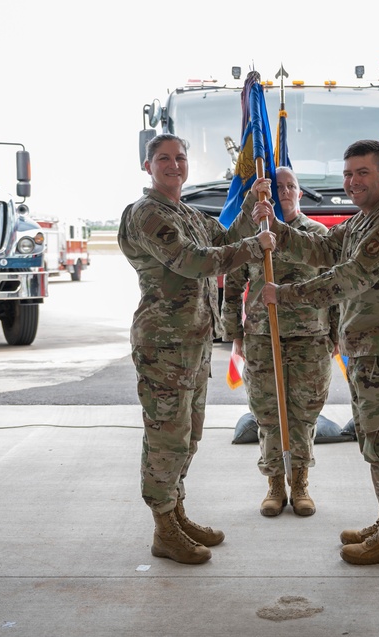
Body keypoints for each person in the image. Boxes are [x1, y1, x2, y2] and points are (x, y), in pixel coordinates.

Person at [253, 139, 379, 566]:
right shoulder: (364, 221)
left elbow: (349, 277)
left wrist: (286, 295)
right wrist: (274, 229)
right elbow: (325, 249)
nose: (352, 182)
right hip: (371, 353)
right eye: (348, 174)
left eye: (362, 173)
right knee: (376, 440)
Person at [118, 133, 272, 565]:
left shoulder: (187, 212)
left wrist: (251, 208)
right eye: (163, 158)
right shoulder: (146, 214)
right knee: (166, 437)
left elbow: (222, 239)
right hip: (163, 345)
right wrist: (251, 247)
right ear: (148, 166)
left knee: (187, 436)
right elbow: (193, 260)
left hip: (193, 343)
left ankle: (176, 512)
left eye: (180, 158)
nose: (174, 165)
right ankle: (163, 528)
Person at [222, 166, 338, 518]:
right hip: (262, 338)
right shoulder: (255, 237)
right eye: (278, 187)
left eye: (291, 187)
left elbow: (335, 290)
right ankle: (274, 484)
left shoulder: (317, 235)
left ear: (300, 194)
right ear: (266, 195)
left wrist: (335, 335)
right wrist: (236, 335)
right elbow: (231, 285)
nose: (284, 192)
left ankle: (300, 483)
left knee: (303, 414)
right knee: (268, 414)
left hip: (310, 340)